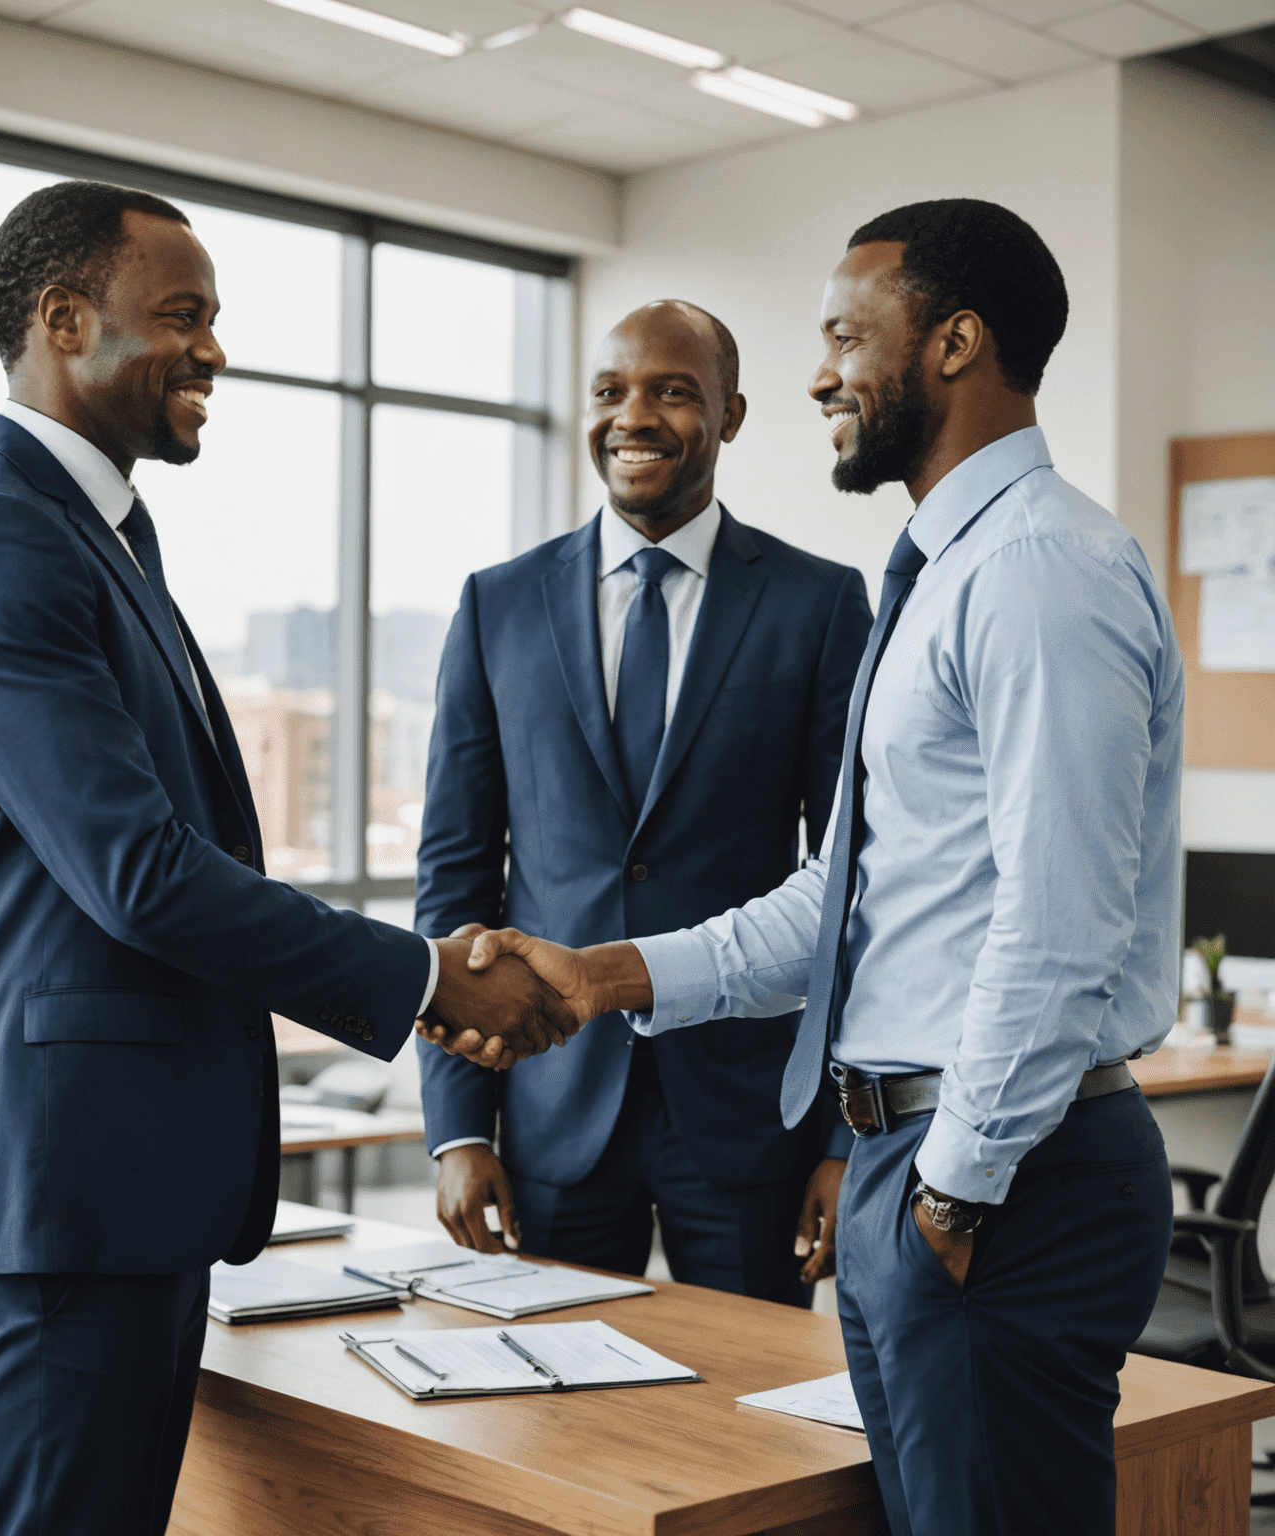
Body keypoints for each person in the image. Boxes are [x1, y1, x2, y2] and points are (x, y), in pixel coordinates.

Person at [425, 199, 1182, 1536]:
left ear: (953, 344)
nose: (826, 371)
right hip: (927, 1164)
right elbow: (837, 899)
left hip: (992, 1171)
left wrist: (949, 1192)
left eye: (846, 334)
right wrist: (603, 977)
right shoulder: (941, 575)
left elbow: (1058, 928)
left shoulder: (1040, 569)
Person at [0, 180, 571, 1536]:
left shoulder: (100, 536)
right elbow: (138, 871)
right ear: (64, 321)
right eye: (181, 316)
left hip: (114, 1187)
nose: (214, 350)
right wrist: (430, 976)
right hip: (57, 1191)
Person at [416, 300, 871, 1301]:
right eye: (611, 391)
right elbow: (456, 878)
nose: (636, 417)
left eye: (673, 391)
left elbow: (853, 889)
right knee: (551, 1418)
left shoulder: (819, 603)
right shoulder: (499, 604)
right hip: (548, 1102)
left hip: (751, 1117)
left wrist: (845, 1138)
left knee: (754, 1418)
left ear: (732, 414)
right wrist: (457, 1126)